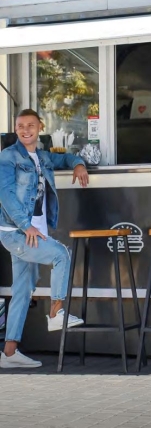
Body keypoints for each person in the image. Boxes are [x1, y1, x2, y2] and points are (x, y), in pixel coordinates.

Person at [0, 109, 89, 369]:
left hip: (33, 232)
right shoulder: (8, 157)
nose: (25, 130)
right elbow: (5, 194)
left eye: (30, 125)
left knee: (22, 291)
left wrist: (79, 164)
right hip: (17, 233)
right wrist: (26, 225)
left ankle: (9, 352)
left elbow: (67, 158)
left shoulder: (42, 156)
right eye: (20, 126)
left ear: (40, 127)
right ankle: (56, 313)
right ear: (15, 129)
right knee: (61, 254)